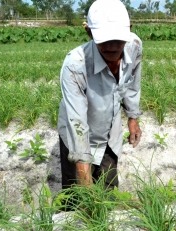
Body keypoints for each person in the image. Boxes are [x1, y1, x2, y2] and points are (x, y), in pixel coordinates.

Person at [57, 0, 142, 192]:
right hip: (77, 134)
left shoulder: (134, 46)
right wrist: (85, 184)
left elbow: (133, 82)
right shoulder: (75, 65)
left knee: (108, 190)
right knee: (76, 198)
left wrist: (133, 118)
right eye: (104, 40)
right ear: (89, 32)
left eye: (118, 39)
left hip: (109, 133)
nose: (112, 46)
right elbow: (77, 122)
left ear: (129, 29)